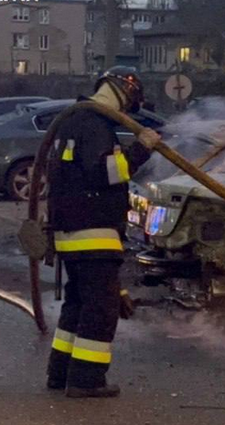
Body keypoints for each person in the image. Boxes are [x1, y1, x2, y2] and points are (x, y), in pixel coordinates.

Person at [46, 66, 161, 398]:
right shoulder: (95, 124)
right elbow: (104, 173)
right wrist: (141, 148)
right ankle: (86, 379)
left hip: (69, 231)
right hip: (93, 230)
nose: (126, 113)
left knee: (78, 303)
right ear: (124, 93)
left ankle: (61, 372)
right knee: (101, 308)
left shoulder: (72, 120)